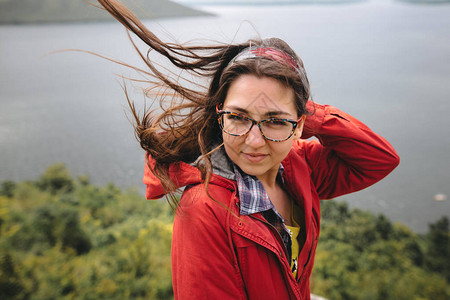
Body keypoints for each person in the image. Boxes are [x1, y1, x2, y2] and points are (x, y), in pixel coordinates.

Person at [97, 1, 400, 299]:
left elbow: (379, 160)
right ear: (220, 114)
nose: (254, 141)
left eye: (275, 122)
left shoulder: (299, 167)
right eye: (238, 117)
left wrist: (312, 116)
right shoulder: (206, 208)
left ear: (299, 126)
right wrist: (282, 114)